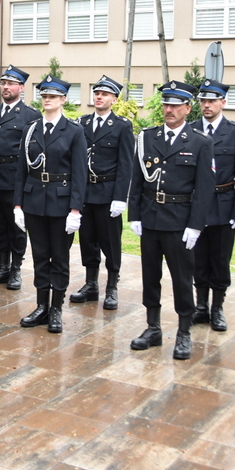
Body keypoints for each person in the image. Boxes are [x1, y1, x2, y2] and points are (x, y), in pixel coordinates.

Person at [127, 81, 214, 360]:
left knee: (181, 279)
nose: (169, 110)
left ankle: (184, 331)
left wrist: (196, 225)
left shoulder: (200, 142)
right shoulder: (147, 137)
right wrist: (134, 215)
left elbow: (204, 189)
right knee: (150, 276)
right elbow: (137, 179)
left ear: (188, 108)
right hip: (151, 218)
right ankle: (153, 328)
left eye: (176, 105)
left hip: (179, 221)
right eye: (166, 104)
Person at [14, 76, 87, 333]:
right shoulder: (31, 129)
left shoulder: (74, 131)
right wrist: (17, 205)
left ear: (63, 99)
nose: (47, 100)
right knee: (40, 256)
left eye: (53, 96)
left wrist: (75, 210)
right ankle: (41, 306)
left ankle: (56, 308)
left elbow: (80, 174)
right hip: (34, 201)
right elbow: (21, 170)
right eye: (44, 96)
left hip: (61, 203)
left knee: (60, 258)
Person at [189, 79, 235, 331]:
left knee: (220, 259)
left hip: (223, 204)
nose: (207, 105)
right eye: (203, 100)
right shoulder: (191, 129)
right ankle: (201, 307)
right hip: (196, 206)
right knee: (198, 259)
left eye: (212, 101)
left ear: (223, 102)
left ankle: (217, 308)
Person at [0, 65, 40, 291]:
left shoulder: (31, 115)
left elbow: (34, 152)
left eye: (11, 84)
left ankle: (15, 268)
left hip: (15, 178)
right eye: (3, 83)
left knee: (17, 226)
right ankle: (3, 265)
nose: (5, 87)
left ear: (21, 88)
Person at [73, 75, 134, 309]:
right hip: (86, 192)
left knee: (110, 243)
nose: (99, 97)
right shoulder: (82, 123)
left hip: (108, 193)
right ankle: (91, 285)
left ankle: (112, 287)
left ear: (114, 99)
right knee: (87, 240)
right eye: (97, 93)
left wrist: (120, 197)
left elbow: (126, 165)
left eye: (105, 94)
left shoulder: (122, 126)